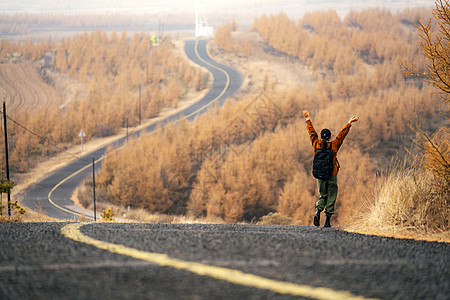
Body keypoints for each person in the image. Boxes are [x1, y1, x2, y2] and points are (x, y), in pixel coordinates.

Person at [302, 110, 359, 227]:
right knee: (332, 196)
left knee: (322, 195)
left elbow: (311, 133)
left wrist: (308, 119)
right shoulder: (334, 145)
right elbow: (342, 135)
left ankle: (318, 211)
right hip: (332, 174)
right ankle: (327, 221)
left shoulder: (316, 143)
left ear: (321, 136)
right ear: (329, 137)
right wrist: (349, 123)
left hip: (319, 174)